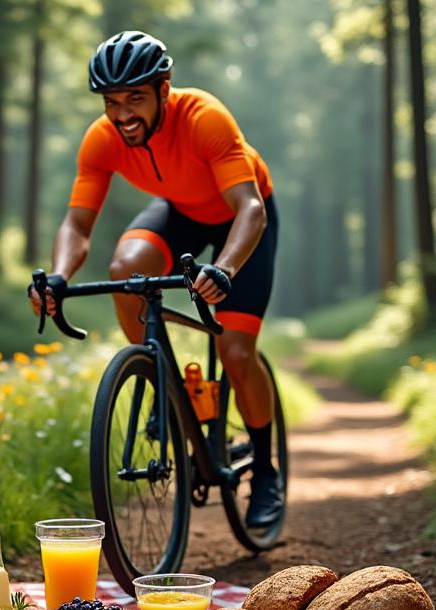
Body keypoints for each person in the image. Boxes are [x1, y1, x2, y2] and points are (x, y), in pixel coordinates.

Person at [30, 30, 282, 526]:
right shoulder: (102, 140)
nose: (122, 115)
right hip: (181, 211)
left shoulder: (204, 118)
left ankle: (266, 471)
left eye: (135, 99)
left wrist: (225, 269)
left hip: (242, 217)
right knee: (126, 271)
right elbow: (77, 225)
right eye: (111, 102)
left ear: (164, 90)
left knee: (234, 351)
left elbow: (250, 208)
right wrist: (58, 277)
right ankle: (164, 380)